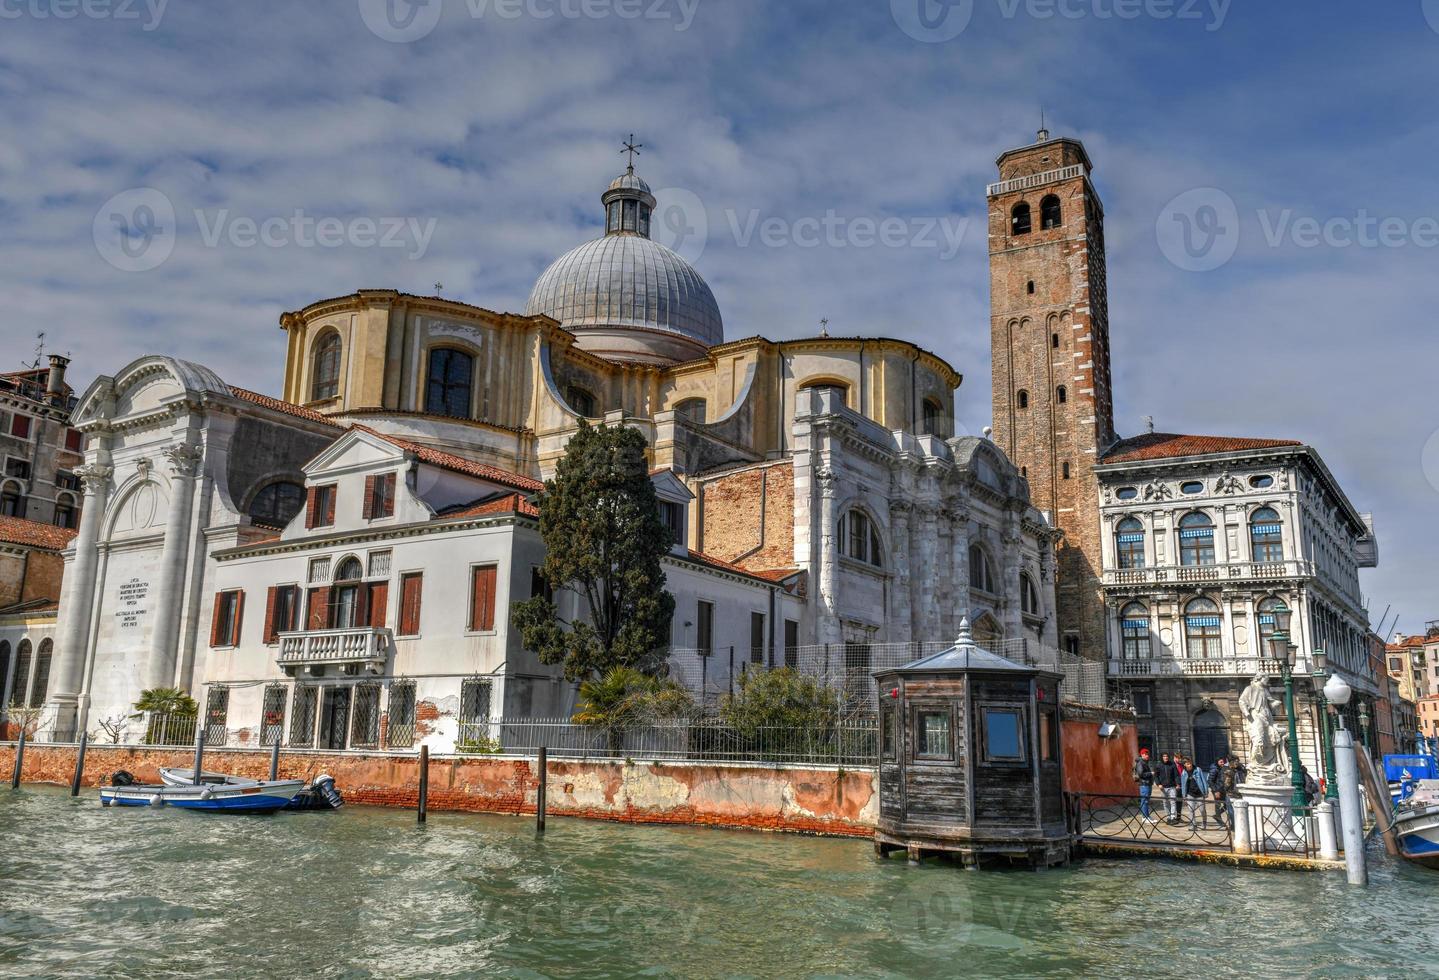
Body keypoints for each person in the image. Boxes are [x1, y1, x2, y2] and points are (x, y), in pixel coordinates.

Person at [1208, 756, 1236, 829]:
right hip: (1217, 790)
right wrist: (1216, 791)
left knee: (1226, 805)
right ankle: (1220, 822)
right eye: (1221, 762)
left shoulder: (1222, 768)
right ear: (1217, 763)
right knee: (1218, 805)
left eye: (1223, 761)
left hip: (1222, 790)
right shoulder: (1214, 770)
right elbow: (1210, 781)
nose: (1222, 763)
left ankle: (1217, 815)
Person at [1180, 761, 1209, 829]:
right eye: (1188, 764)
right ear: (1185, 765)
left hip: (1199, 793)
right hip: (1190, 794)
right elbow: (1183, 785)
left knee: (1202, 810)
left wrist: (1206, 791)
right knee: (1191, 810)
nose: (1190, 765)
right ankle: (1193, 825)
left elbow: (1203, 780)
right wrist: (1184, 795)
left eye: (1190, 764)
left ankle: (1204, 822)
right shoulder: (1184, 773)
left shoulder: (1198, 770)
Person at [1133, 748, 1157, 821]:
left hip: (1147, 784)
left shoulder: (1145, 762)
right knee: (1144, 801)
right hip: (1144, 784)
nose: (1147, 756)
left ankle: (1147, 816)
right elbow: (1141, 774)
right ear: (1141, 754)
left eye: (1147, 754)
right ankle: (1145, 817)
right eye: (1145, 754)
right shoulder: (1141, 762)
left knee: (1146, 801)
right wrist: (1150, 773)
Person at [1158, 752, 1181, 823]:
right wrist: (1158, 784)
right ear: (1162, 757)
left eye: (1167, 756)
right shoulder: (1158, 765)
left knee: (1173, 802)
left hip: (1172, 787)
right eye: (1164, 756)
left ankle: (1173, 817)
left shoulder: (1172, 765)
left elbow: (1176, 775)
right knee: (1165, 803)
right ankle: (1168, 817)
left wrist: (1178, 784)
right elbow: (1156, 776)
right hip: (1163, 787)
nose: (1166, 757)